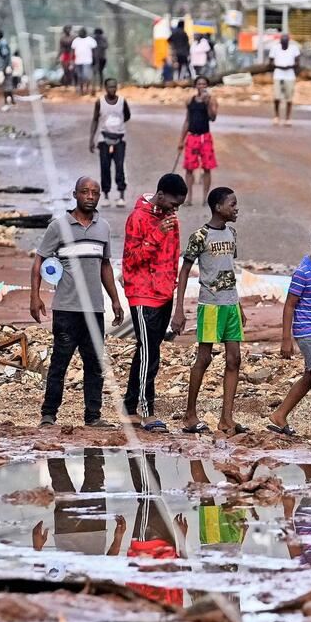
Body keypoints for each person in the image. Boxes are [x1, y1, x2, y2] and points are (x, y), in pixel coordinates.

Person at [31, 176, 124, 430]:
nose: (90, 196)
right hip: (66, 308)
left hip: (94, 308)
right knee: (60, 363)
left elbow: (105, 265)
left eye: (95, 192)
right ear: (75, 194)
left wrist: (115, 300)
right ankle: (48, 415)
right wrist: (35, 296)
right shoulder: (59, 227)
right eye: (85, 192)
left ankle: (93, 417)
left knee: (94, 364)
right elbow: (39, 261)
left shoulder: (103, 227)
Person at [172, 187, 245, 436]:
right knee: (204, 358)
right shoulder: (200, 236)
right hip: (211, 306)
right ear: (218, 207)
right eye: (232, 204)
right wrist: (179, 309)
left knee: (234, 359)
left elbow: (229, 272)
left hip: (231, 305)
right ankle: (190, 415)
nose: (236, 209)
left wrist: (240, 306)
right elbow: (184, 272)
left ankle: (227, 419)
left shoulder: (232, 234)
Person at [122, 174, 188, 432]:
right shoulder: (138, 218)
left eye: (179, 206)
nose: (175, 209)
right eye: (173, 204)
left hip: (164, 294)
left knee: (147, 351)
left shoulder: (172, 219)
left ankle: (129, 407)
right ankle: (147, 411)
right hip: (141, 294)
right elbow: (131, 261)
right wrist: (156, 234)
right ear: (160, 195)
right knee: (150, 353)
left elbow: (173, 258)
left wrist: (173, 294)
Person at [268, 226, 311, 440]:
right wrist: (286, 339)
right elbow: (289, 305)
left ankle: (279, 415)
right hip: (306, 330)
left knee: (310, 376)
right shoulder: (302, 272)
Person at [90, 78, 132, 206]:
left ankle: (121, 195)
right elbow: (95, 120)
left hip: (119, 139)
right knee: (105, 167)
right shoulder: (100, 102)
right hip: (104, 139)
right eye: (109, 87)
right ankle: (106, 195)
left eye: (114, 87)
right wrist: (91, 139)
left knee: (120, 167)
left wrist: (117, 125)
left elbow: (127, 115)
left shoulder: (122, 102)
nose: (112, 89)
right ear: (105, 88)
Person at [178, 76, 218, 206]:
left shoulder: (211, 100)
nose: (201, 86)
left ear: (207, 86)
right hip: (192, 137)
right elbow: (187, 120)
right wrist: (181, 140)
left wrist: (207, 104)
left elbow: (213, 117)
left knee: (207, 167)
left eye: (204, 84)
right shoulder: (190, 100)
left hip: (205, 137)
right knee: (189, 168)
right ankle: (189, 198)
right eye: (199, 84)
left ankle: (205, 198)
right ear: (195, 86)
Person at [268, 33, 301, 126]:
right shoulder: (275, 48)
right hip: (278, 74)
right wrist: (277, 67)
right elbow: (270, 62)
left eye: (285, 43)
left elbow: (298, 62)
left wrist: (291, 67)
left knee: (289, 98)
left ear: (288, 42)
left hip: (289, 75)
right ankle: (276, 116)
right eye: (283, 43)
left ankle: (288, 118)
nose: (284, 45)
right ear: (280, 42)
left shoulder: (294, 49)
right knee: (277, 97)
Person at [71, 28, 97, 96]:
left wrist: (95, 61)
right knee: (80, 76)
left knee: (87, 76)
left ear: (85, 33)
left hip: (87, 61)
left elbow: (94, 51)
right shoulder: (75, 41)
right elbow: (73, 51)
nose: (80, 34)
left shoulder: (91, 40)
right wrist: (72, 61)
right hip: (78, 61)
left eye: (82, 32)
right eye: (80, 32)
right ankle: (81, 90)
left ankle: (87, 88)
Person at [0, 30, 15, 109]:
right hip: (5, 66)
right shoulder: (2, 43)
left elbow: (5, 55)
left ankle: (7, 101)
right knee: (7, 84)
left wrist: (4, 67)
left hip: (5, 67)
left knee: (6, 84)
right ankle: (11, 100)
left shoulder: (2, 43)